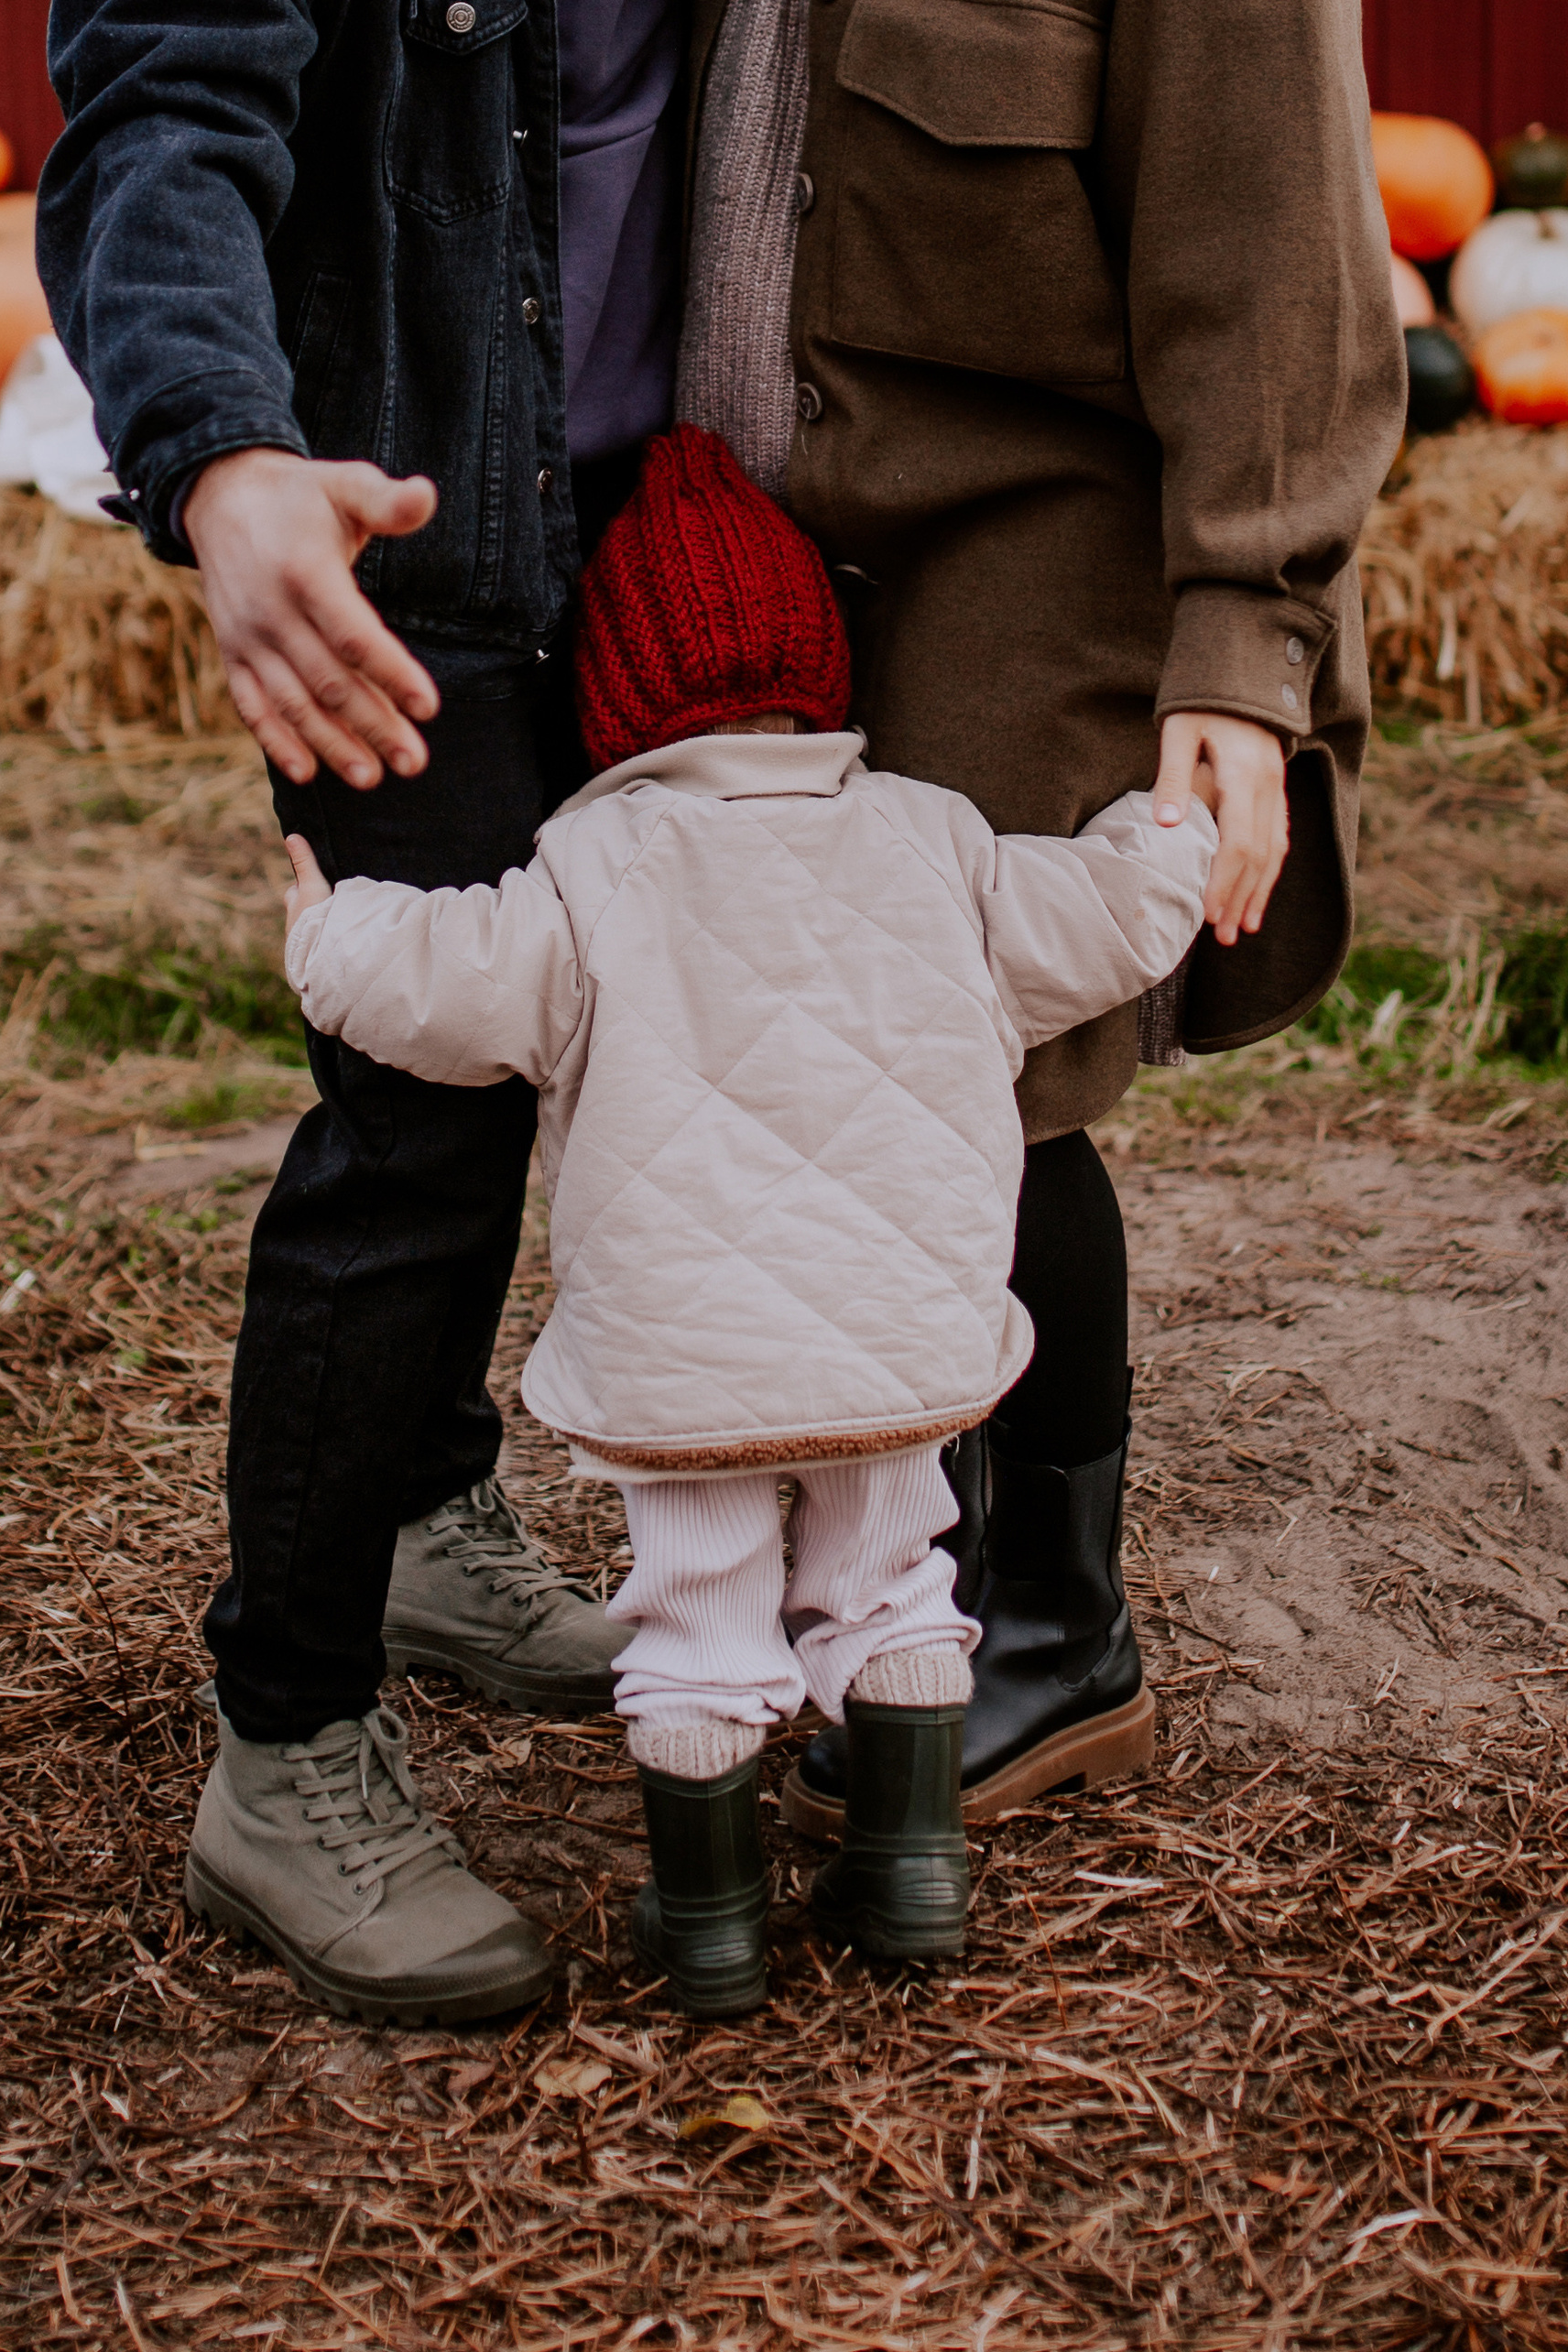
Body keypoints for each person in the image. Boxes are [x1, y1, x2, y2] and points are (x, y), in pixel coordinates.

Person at [37, 0, 752, 2027]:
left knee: (650, 1071)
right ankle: (286, 1733)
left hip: (676, 503)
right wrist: (221, 457)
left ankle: (440, 1515)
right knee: (424, 1122)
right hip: (410, 514)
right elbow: (160, 119)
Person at [674, 0, 1406, 1839]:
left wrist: (1248, 656)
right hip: (774, 523)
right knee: (782, 1071)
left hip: (1036, 529)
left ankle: (1051, 1618)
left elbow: (1278, 269)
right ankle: (835, 1560)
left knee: (983, 1072)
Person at [269, 426, 1214, 2019]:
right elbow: (1113, 914)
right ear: (825, 671)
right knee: (897, 1578)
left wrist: (324, 930)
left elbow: (441, 983)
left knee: (699, 1616)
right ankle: (913, 1877)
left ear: (616, 704)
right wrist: (1179, 824)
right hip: (897, 1335)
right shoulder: (938, 840)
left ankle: (706, 1927)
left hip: (685, 1361)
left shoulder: (582, 868)